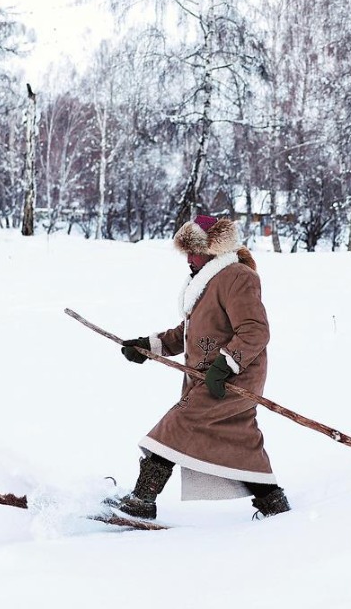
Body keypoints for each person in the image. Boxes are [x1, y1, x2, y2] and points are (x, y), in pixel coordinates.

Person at [115, 215, 290, 521]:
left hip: (234, 379)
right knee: (240, 439)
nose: (188, 259)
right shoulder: (205, 280)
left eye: (192, 252)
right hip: (209, 379)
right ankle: (272, 502)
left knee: (175, 425)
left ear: (211, 249)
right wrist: (148, 345)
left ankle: (141, 501)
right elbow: (187, 332)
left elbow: (254, 330)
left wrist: (226, 365)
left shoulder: (237, 277)